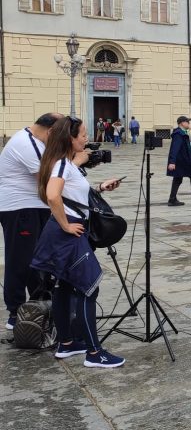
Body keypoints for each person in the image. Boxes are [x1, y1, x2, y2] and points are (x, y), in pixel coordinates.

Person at [29, 116, 125, 367]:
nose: (86, 138)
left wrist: (100, 188)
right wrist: (65, 224)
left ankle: (67, 343)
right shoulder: (62, 164)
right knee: (88, 287)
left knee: (65, 287)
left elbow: (72, 192)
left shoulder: (65, 164)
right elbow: (52, 196)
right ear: (69, 139)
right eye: (82, 134)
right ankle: (95, 353)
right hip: (67, 234)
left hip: (63, 234)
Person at [0, 112, 66, 330]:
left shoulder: (36, 141)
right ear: (50, 131)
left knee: (38, 260)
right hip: (20, 209)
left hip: (35, 207)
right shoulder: (24, 143)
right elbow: (48, 178)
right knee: (20, 260)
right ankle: (15, 311)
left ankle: (38, 306)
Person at [167, 116, 191, 206]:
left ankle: (172, 199)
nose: (189, 123)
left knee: (177, 179)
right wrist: (172, 162)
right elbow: (174, 149)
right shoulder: (179, 134)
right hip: (182, 161)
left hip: (182, 160)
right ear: (182, 123)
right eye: (187, 122)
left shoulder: (182, 133)